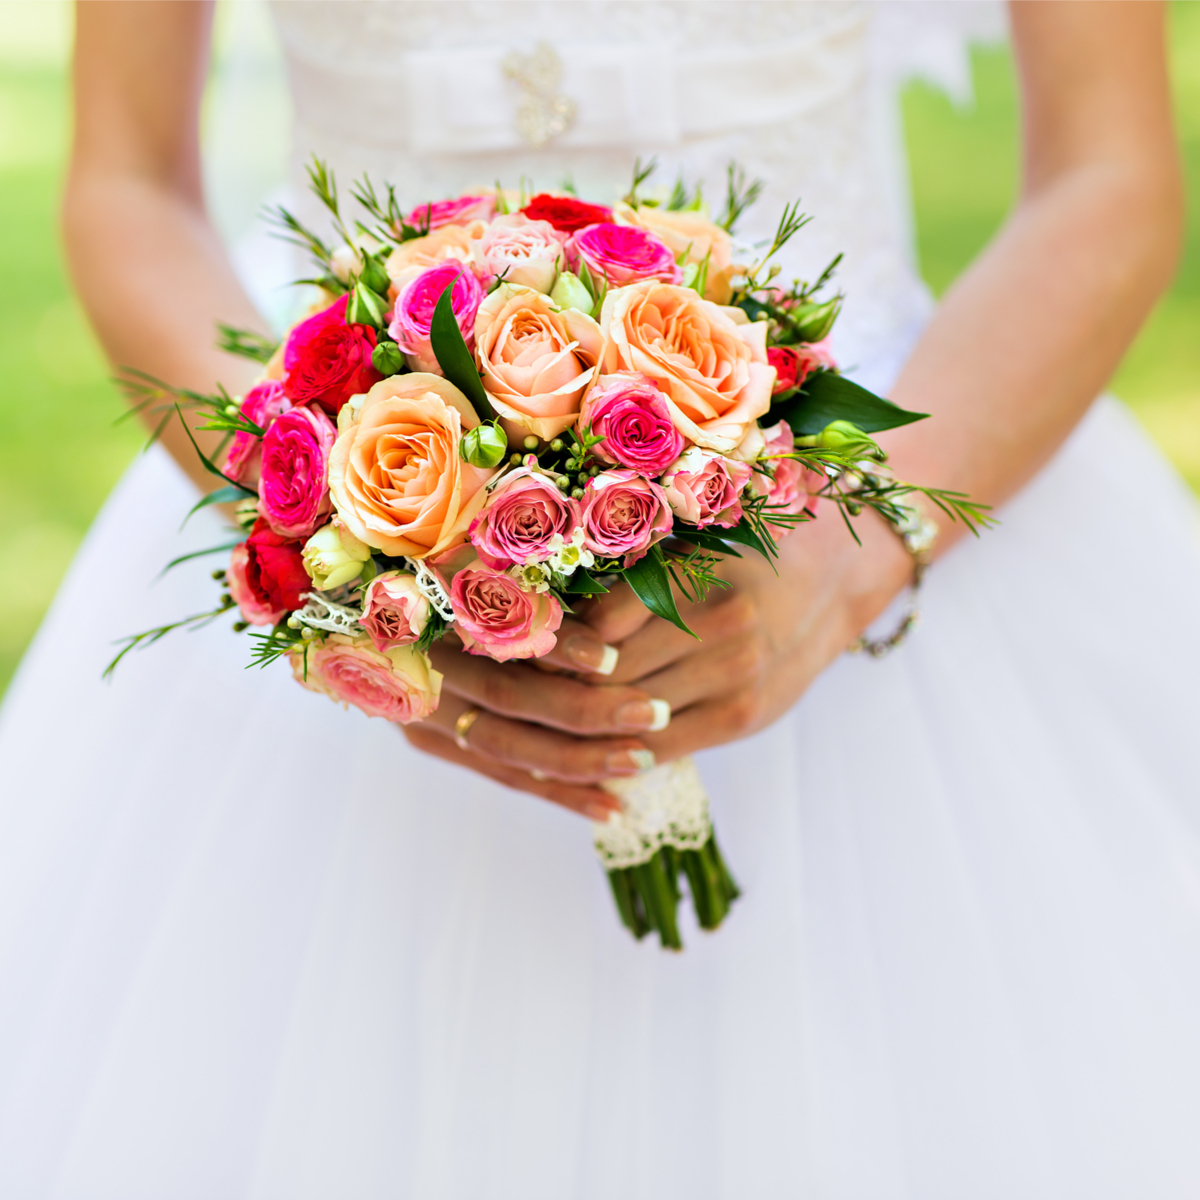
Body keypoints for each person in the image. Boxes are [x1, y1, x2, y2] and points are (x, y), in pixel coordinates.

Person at [2, 1, 1199, 1193]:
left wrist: (854, 556)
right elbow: (128, 182)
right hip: (353, 630)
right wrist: (340, 538)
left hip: (888, 513)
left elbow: (1106, 169)